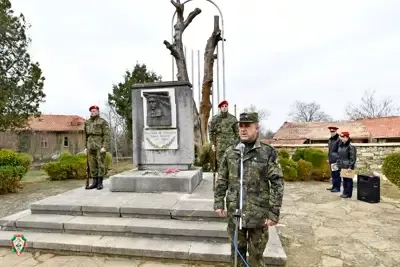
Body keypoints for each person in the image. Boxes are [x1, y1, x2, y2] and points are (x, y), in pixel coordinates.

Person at [214, 112, 285, 267]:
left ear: (257, 128)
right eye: (241, 126)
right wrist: (219, 201)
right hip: (235, 212)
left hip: (258, 214)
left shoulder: (267, 152)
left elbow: (277, 182)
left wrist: (274, 212)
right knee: (236, 255)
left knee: (256, 257)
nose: (243, 129)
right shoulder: (231, 151)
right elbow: (222, 178)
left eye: (248, 126)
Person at [84, 105, 111, 190]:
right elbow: (85, 135)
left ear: (98, 112)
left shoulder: (102, 122)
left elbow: (107, 135)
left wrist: (104, 146)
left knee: (100, 164)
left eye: (94, 111)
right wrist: (85, 147)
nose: (93, 112)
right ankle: (94, 182)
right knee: (92, 164)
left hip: (99, 145)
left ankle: (100, 182)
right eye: (91, 111)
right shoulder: (87, 122)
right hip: (90, 145)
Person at [209, 100, 239, 171]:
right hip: (219, 146)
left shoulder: (233, 118)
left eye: (226, 106)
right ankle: (221, 180)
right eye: (222, 106)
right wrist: (212, 144)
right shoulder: (215, 119)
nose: (224, 108)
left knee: (231, 163)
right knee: (221, 164)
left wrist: (236, 144)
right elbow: (211, 132)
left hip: (231, 145)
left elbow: (237, 133)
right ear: (220, 108)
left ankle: (230, 180)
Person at [337, 131, 357, 198]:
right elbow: (339, 156)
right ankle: (345, 192)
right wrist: (338, 164)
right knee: (345, 180)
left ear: (346, 137)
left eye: (342, 137)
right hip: (342, 166)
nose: (341, 138)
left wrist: (350, 167)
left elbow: (352, 158)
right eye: (341, 137)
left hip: (348, 166)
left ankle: (348, 194)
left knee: (348, 180)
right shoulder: (341, 146)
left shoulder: (351, 147)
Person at [326, 126, 341, 192]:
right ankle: (334, 186)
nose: (331, 133)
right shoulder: (330, 140)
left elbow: (340, 151)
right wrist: (328, 158)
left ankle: (337, 188)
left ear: (336, 131)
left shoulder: (338, 140)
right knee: (333, 174)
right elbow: (330, 150)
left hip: (336, 160)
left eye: (333, 131)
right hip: (331, 160)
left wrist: (337, 159)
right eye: (330, 131)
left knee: (336, 174)